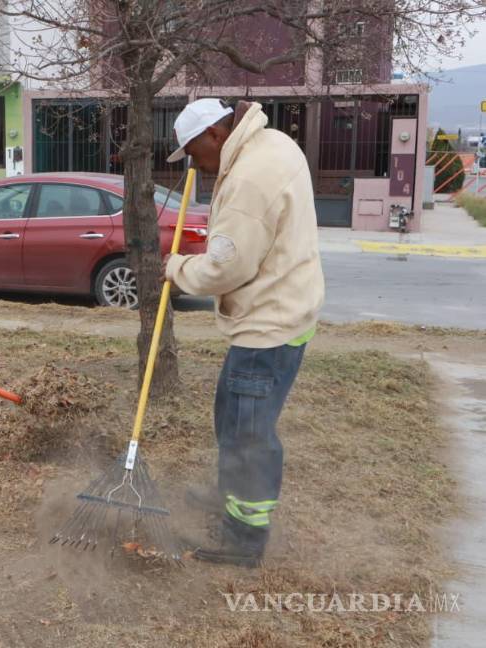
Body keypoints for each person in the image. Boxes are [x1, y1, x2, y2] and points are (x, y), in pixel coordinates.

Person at [162, 98, 325, 566]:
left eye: (193, 151)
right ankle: (228, 495)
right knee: (230, 417)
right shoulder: (270, 143)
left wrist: (175, 268)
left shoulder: (250, 178)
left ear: (215, 134)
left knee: (248, 435)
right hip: (284, 309)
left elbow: (224, 267)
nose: (195, 163)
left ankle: (245, 537)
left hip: (268, 324)